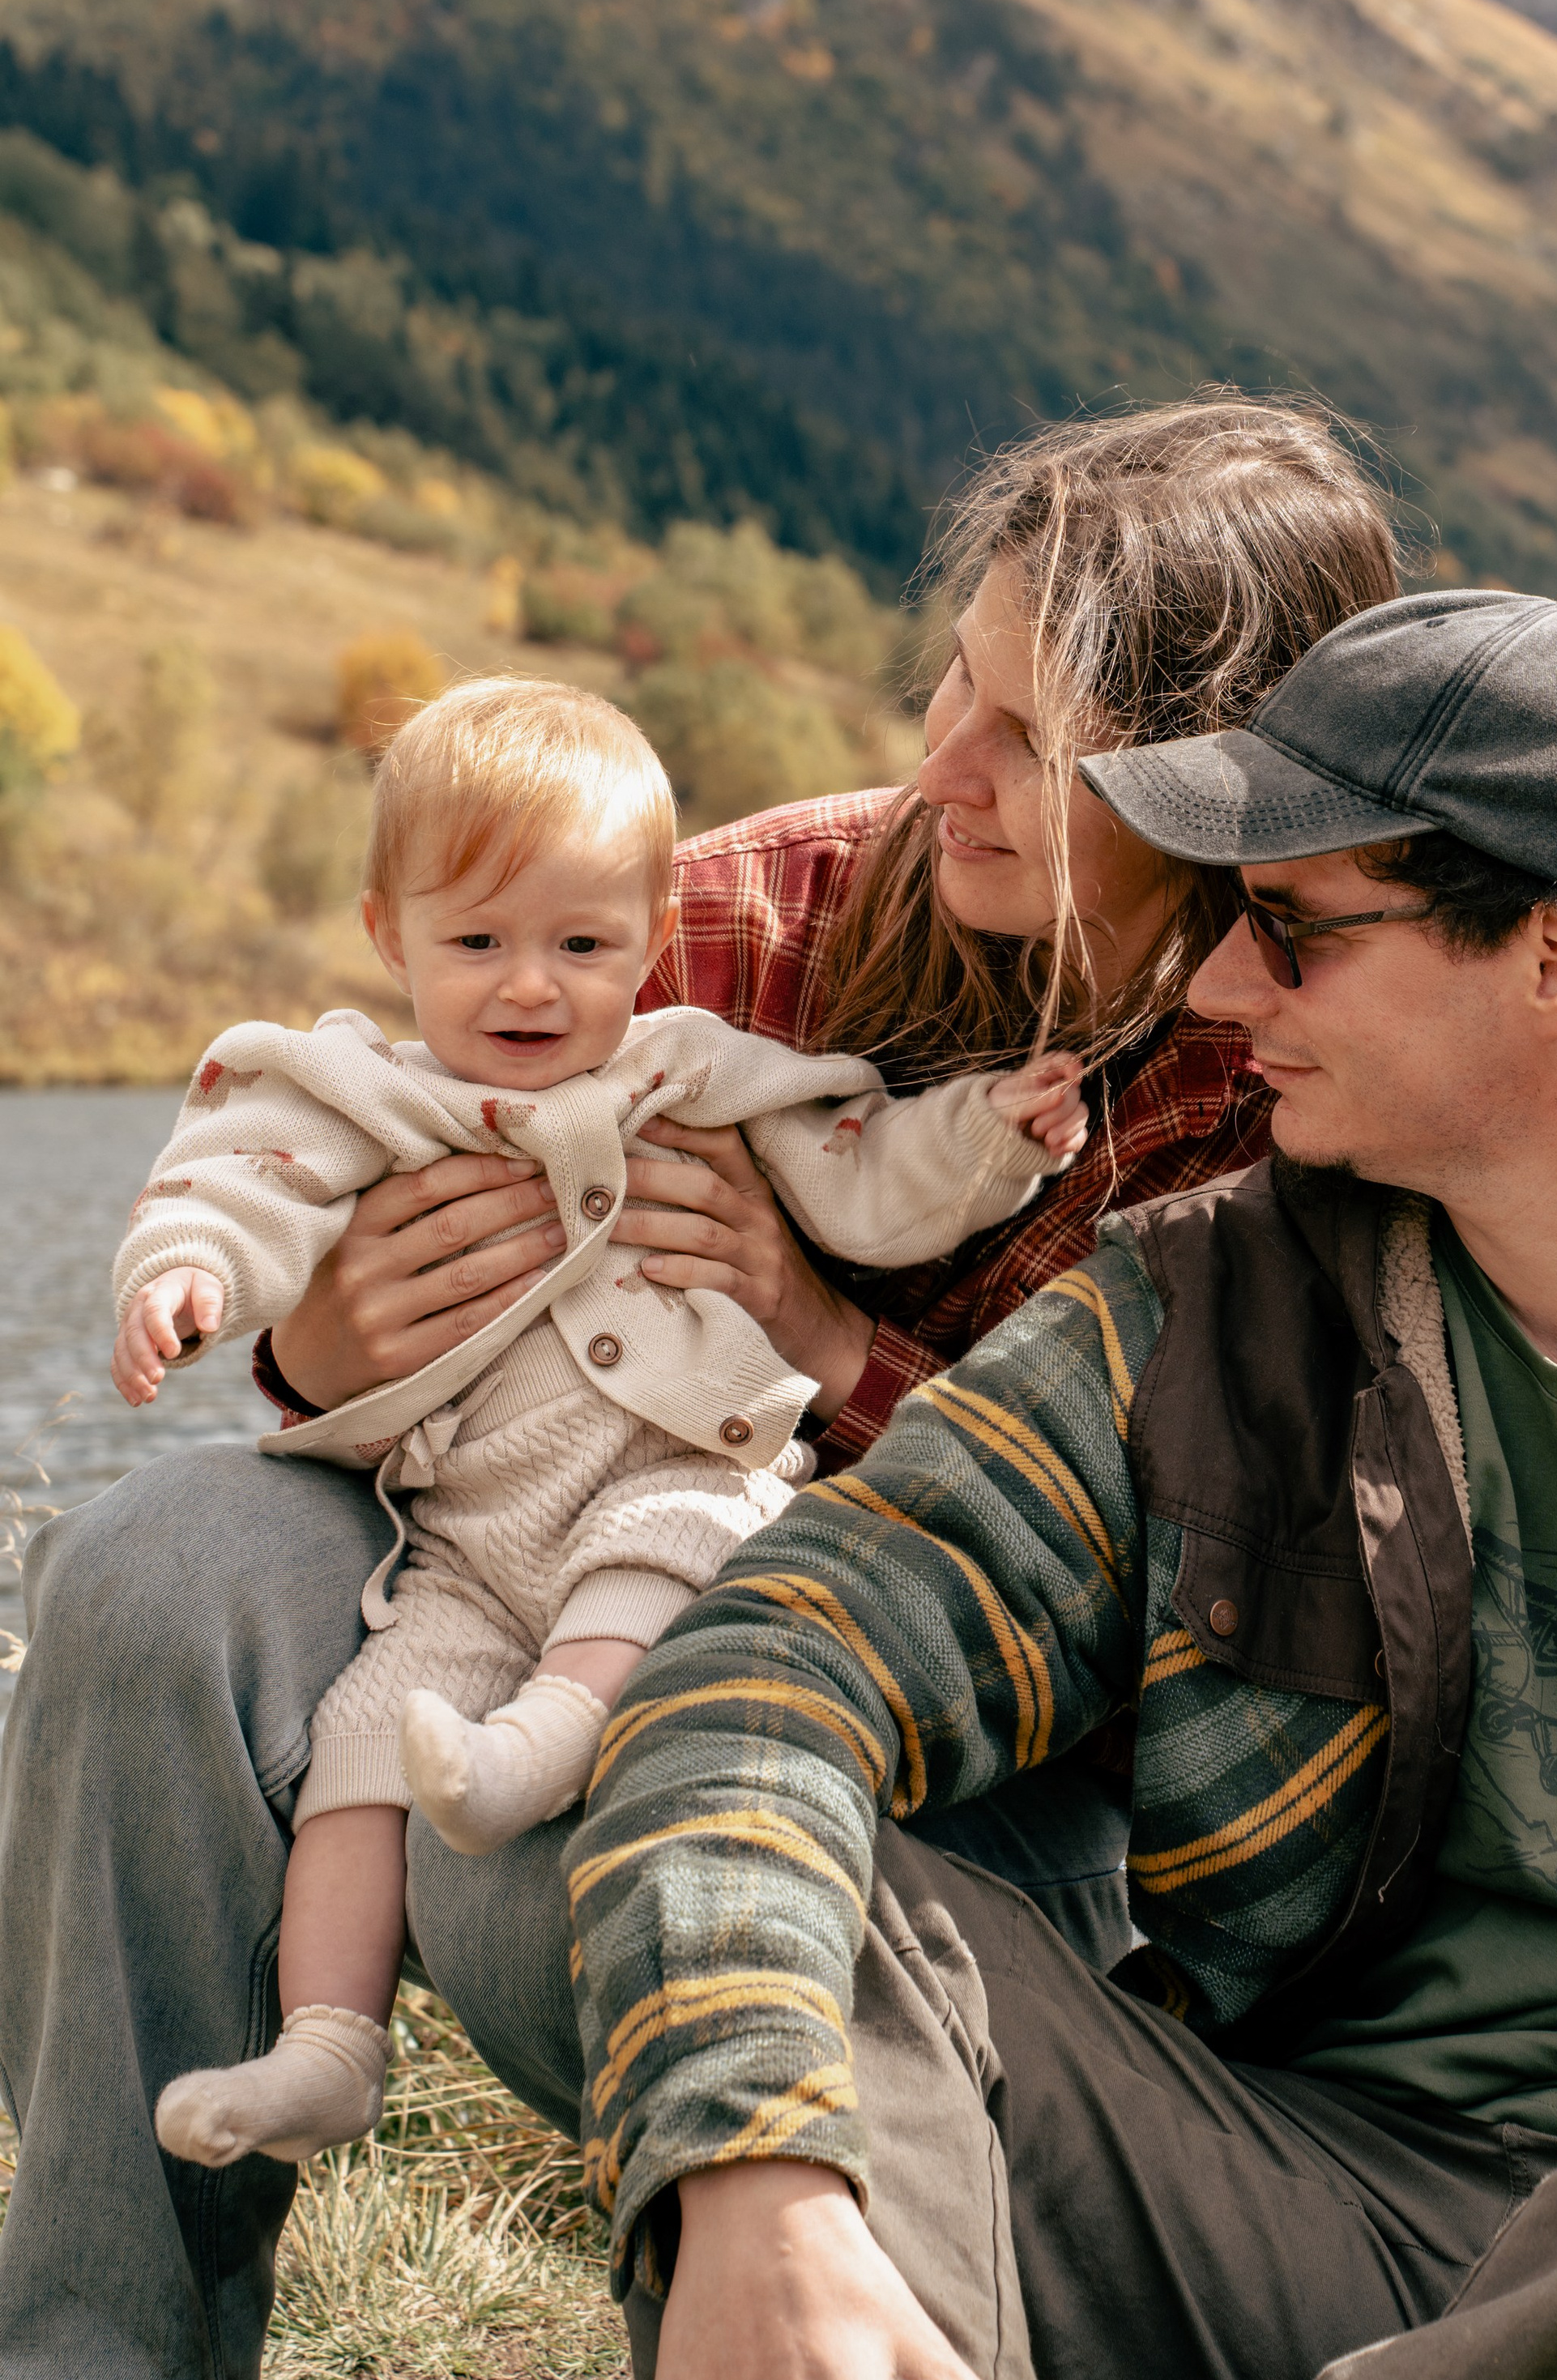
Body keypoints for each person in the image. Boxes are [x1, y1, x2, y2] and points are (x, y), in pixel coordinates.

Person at [0, 392, 1402, 2380]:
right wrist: (324, 1339)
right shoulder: (746, 920)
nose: (946, 766)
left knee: (554, 1836)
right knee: (153, 1572)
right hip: (533, 1558)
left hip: (1008, 1795)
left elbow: (1167, 1633)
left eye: (1030, 736)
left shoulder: (1308, 1076)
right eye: (954, 681)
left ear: (1210, 788)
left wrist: (827, 1334)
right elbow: (387, 1163)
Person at [556, 586, 1557, 2380]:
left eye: (1288, 932)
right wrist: (757, 2169)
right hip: (1299, 2223)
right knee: (817, 1907)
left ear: (1554, 954)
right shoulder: (1207, 1319)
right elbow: (763, 1669)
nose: (1209, 995)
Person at [112, 676, 1085, 2173]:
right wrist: (188, 1273)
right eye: (478, 945)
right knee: (369, 1740)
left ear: (648, 935)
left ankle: (551, 1741)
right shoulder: (363, 1091)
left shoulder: (687, 1070)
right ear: (390, 939)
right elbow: (238, 1177)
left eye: (581, 946)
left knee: (670, 1541)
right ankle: (325, 2046)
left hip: (676, 1463)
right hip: (468, 1540)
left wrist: (989, 1144)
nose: (530, 988)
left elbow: (863, 1176)